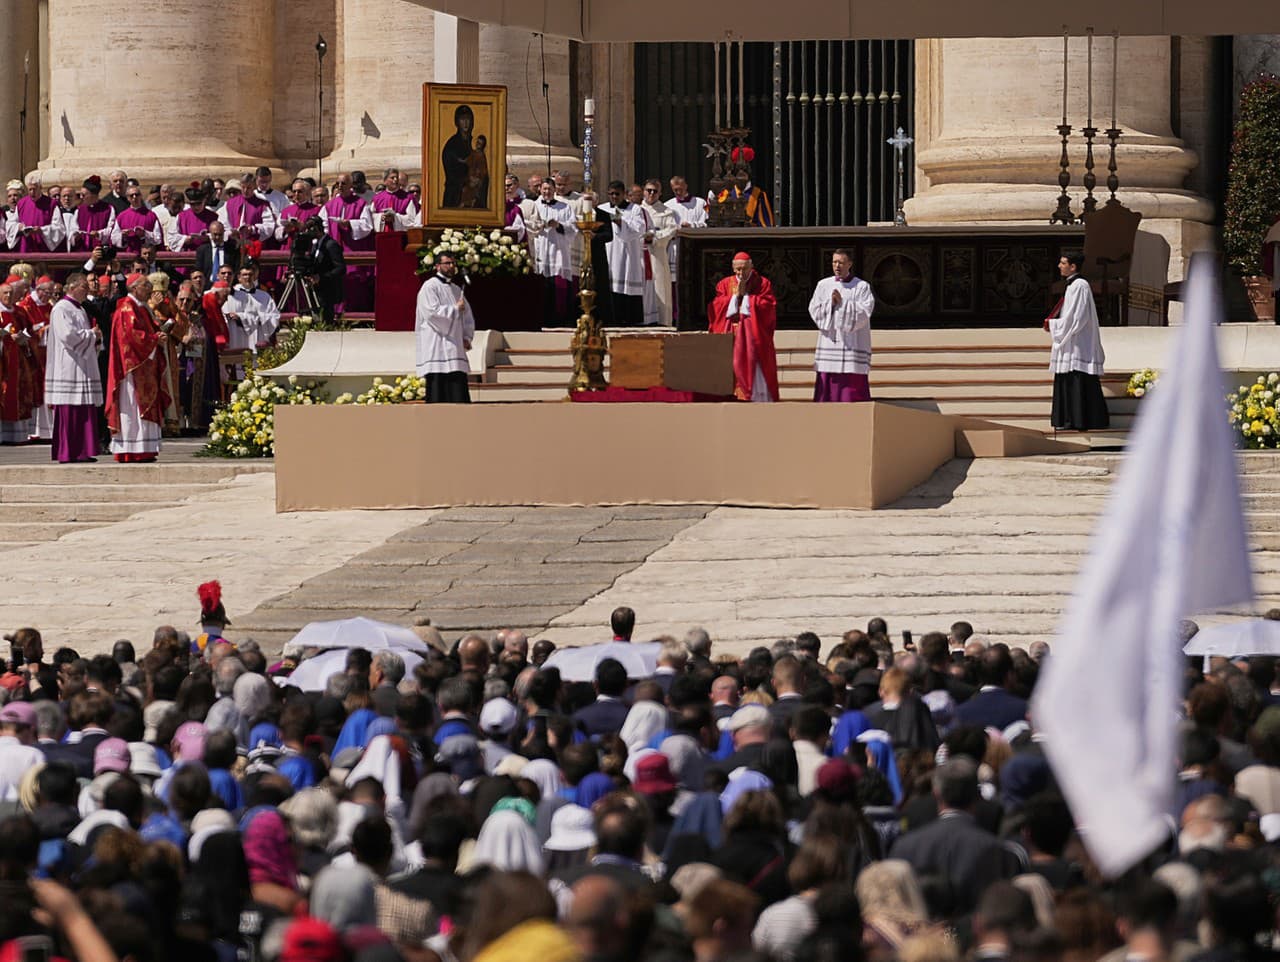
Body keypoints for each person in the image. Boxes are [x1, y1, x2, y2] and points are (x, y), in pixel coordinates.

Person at [105, 273, 167, 463]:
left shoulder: (140, 307)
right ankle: (132, 450)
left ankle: (145, 449)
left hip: (145, 365)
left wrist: (158, 334)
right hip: (132, 368)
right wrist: (155, 339)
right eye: (145, 285)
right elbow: (133, 337)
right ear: (133, 287)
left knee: (143, 405)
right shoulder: (127, 308)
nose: (150, 289)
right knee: (132, 407)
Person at [44, 273, 103, 463]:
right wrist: (92, 334)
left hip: (82, 365)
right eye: (84, 286)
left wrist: (95, 338)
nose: (87, 290)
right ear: (72, 287)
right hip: (68, 366)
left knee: (83, 408)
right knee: (70, 410)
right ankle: (68, 452)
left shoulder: (80, 308)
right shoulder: (61, 308)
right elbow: (68, 336)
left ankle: (83, 451)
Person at [1046, 252, 1108, 431]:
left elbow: (1076, 317)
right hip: (1072, 339)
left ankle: (1080, 420)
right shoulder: (1072, 285)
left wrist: (1054, 325)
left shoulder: (1080, 285)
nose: (1059, 266)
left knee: (1078, 378)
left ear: (1073, 267)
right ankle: (1069, 419)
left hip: (1078, 341)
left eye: (1063, 263)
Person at [707, 252, 779, 402]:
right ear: (733, 268)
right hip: (731, 333)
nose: (741, 272)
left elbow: (768, 306)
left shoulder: (762, 283)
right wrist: (734, 297)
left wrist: (747, 298)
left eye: (745, 268)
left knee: (753, 364)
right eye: (738, 269)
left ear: (751, 267)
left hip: (753, 334)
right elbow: (716, 306)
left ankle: (756, 397)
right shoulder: (725, 284)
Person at [808, 248, 876, 402]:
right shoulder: (823, 285)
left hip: (852, 344)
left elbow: (865, 312)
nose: (837, 266)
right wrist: (831, 304)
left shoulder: (862, 286)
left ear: (849, 264)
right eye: (834, 262)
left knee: (850, 386)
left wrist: (843, 303)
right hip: (830, 343)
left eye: (841, 262)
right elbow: (814, 309)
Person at [414, 252, 474, 403]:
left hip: (454, 345)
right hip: (436, 344)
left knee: (457, 387)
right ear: (437, 266)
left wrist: (466, 337)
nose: (451, 266)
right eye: (447, 263)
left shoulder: (456, 289)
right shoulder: (429, 286)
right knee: (438, 386)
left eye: (453, 263)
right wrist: (454, 309)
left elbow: (467, 316)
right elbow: (431, 313)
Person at [321, 173, 375, 311]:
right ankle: (336, 313)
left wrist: (350, 224)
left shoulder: (361, 203)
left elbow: (367, 225)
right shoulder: (329, 205)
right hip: (334, 249)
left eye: (343, 183)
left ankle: (356, 314)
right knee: (336, 282)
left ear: (351, 185)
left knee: (353, 284)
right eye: (338, 183)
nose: (340, 186)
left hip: (352, 248)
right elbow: (323, 226)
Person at [529, 179, 579, 327]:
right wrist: (539, 225)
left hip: (558, 251)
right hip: (540, 249)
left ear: (554, 190)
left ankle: (559, 319)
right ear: (540, 190)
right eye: (544, 189)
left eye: (549, 189)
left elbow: (573, 228)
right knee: (541, 285)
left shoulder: (564, 207)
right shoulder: (534, 206)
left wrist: (559, 225)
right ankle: (540, 318)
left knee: (558, 287)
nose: (547, 192)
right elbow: (528, 225)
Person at [598, 182, 648, 327]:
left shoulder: (635, 209)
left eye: (617, 194)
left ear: (624, 194)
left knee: (626, 283)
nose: (614, 197)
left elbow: (639, 229)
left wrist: (621, 223)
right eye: (611, 194)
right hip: (609, 251)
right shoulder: (602, 208)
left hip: (627, 254)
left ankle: (628, 318)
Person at [0, 280, 37, 444]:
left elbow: (30, 330)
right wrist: (6, 338)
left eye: (10, 292)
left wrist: (24, 338)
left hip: (19, 359)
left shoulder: (19, 312)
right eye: (5, 293)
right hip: (3, 361)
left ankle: (17, 435)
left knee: (19, 393)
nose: (9, 295)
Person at [289, 216, 346, 320]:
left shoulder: (331, 245)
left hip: (327, 291)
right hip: (316, 291)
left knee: (325, 319)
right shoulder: (316, 245)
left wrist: (321, 277)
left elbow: (341, 268)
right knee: (316, 316)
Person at [640, 180, 677, 326]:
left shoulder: (666, 211)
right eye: (648, 190)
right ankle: (642, 319)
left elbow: (672, 230)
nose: (651, 194)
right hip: (640, 255)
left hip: (657, 255)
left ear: (660, 193)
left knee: (660, 287)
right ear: (643, 191)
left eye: (655, 191)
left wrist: (655, 237)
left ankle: (662, 321)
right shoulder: (636, 210)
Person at [224, 266, 281, 356]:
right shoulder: (231, 295)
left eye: (250, 275)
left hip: (258, 336)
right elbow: (225, 314)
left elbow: (274, 316)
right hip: (236, 336)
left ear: (254, 277)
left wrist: (247, 317)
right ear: (239, 277)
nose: (247, 277)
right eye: (244, 275)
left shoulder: (264, 296)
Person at [10, 173, 66, 253]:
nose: (32, 192)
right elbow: (11, 224)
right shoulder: (21, 203)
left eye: (34, 189)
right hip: (26, 245)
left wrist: (42, 230)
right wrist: (18, 227)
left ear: (40, 188)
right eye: (30, 189)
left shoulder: (51, 204)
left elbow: (59, 228)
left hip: (43, 246)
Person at [110, 184, 163, 256]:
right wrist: (122, 236)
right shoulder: (121, 216)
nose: (134, 197)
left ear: (141, 196)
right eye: (131, 195)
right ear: (128, 198)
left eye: (137, 194)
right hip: (128, 255)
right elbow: (113, 238)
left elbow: (158, 238)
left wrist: (145, 234)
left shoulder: (151, 215)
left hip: (146, 255)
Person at [68, 176, 116, 253]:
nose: (81, 197)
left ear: (93, 195)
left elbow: (112, 229)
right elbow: (73, 228)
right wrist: (76, 235)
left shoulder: (108, 209)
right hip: (81, 251)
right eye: (80, 194)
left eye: (83, 195)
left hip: (100, 251)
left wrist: (99, 234)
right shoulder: (79, 210)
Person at [442, 104, 475, 208]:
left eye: (468, 119)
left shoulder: (474, 142)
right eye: (462, 119)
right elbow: (451, 171)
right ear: (457, 122)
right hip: (455, 195)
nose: (465, 123)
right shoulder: (452, 145)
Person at [371, 167, 420, 232]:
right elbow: (370, 218)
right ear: (385, 181)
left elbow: (412, 219)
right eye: (392, 178)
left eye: (396, 177)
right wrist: (380, 217)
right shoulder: (377, 198)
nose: (396, 180)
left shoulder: (408, 197)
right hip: (382, 235)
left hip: (401, 235)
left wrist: (395, 218)